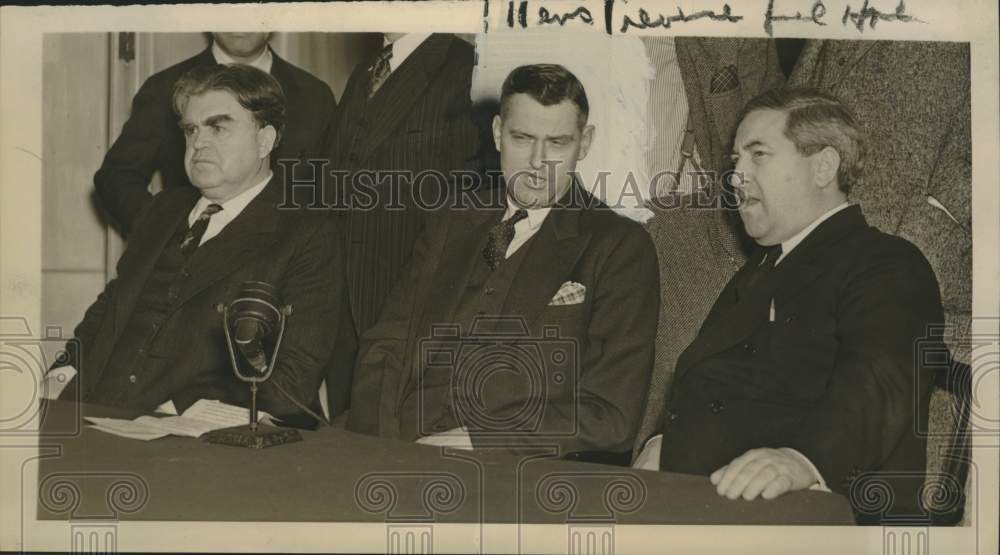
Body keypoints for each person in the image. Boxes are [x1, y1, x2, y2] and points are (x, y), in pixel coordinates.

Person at [635, 88, 945, 520]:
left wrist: (803, 461)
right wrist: (663, 443)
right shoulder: (766, 266)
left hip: (823, 516)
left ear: (823, 167)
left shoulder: (887, 263)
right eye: (735, 160)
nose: (735, 176)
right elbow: (710, 385)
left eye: (758, 155)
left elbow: (880, 381)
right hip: (717, 501)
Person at [346, 64, 659, 457]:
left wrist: (487, 437)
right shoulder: (451, 221)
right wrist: (381, 447)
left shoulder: (620, 247)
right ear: (497, 134)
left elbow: (611, 413)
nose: (538, 162)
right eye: (523, 138)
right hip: (396, 446)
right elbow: (385, 346)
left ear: (585, 142)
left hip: (514, 469)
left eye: (558, 142)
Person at [45, 64, 353, 423]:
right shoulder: (163, 210)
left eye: (218, 127)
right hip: (93, 414)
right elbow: (109, 310)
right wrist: (60, 376)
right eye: (191, 130)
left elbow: (292, 378)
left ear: (265, 140)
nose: (198, 143)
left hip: (194, 438)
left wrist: (178, 412)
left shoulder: (307, 233)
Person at [95, 32, 337, 235]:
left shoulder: (314, 95)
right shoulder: (164, 88)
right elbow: (116, 177)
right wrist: (164, 233)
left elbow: (327, 192)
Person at [325, 33, 480, 338]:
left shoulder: (466, 68)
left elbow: (470, 206)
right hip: (338, 303)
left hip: (404, 310)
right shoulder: (366, 70)